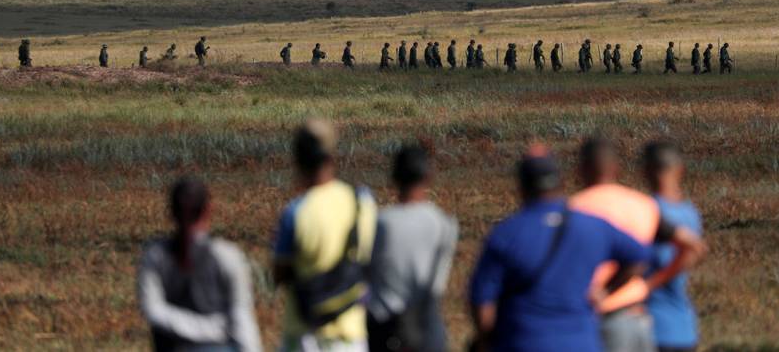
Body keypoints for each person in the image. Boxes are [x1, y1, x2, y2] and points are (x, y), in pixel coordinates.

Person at [469, 144, 650, 352]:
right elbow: (639, 257)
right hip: (580, 342)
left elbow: (481, 298)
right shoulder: (592, 226)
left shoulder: (506, 233)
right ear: (562, 182)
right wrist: (605, 292)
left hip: (524, 341)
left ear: (521, 186)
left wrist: (489, 339)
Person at [570, 137, 707, 352]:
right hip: (660, 321)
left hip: (611, 316)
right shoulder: (655, 208)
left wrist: (644, 285)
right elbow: (693, 245)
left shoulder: (575, 208)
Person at [274, 120, 377, 352]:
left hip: (304, 332)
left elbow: (279, 272)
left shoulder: (296, 212)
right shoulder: (363, 202)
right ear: (332, 155)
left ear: (297, 159)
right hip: (350, 334)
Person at [137, 177, 262, 352]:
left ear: (171, 212)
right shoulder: (227, 255)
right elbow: (241, 317)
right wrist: (214, 328)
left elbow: (152, 310)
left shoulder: (155, 255)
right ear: (209, 210)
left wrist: (189, 329)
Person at [367, 144, 458, 352]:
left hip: (386, 327)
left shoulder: (381, 223)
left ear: (394, 177)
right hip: (427, 324)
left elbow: (366, 272)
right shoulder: (445, 224)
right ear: (428, 176)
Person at [642, 141, 704, 352]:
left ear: (646, 171)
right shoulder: (690, 214)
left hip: (649, 326)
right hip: (684, 327)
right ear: (680, 169)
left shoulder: (644, 210)